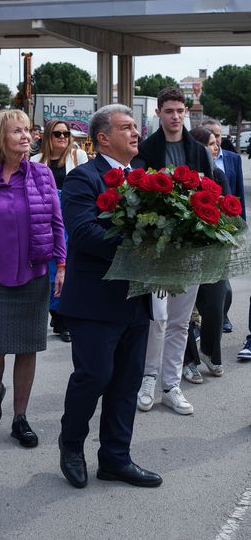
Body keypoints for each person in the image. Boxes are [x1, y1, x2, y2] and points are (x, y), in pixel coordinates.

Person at [58, 104, 162, 489]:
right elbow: (84, 234)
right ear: (103, 137)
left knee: (127, 382)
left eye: (136, 126)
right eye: (126, 127)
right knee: (94, 376)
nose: (136, 133)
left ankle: (116, 458)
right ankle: (71, 446)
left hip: (135, 299)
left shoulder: (145, 179)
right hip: (93, 300)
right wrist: (142, 246)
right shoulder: (83, 179)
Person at [0, 109, 66, 448]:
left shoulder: (42, 175)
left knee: (26, 348)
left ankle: (20, 417)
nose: (26, 136)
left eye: (28, 130)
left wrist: (61, 265)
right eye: (17, 131)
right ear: (1, 138)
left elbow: (56, 223)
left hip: (33, 274)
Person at [134, 87, 212, 416]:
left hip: (189, 249)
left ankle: (171, 383)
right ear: (159, 113)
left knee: (180, 322)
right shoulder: (146, 150)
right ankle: (148, 377)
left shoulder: (198, 151)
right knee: (158, 318)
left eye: (181, 110)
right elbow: (135, 197)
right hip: (156, 250)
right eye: (169, 111)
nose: (176, 116)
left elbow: (212, 195)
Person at [31, 119, 87, 342]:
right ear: (48, 137)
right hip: (44, 218)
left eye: (66, 133)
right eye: (57, 134)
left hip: (70, 216)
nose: (62, 137)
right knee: (52, 268)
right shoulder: (35, 161)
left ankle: (64, 317)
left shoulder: (78, 157)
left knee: (68, 265)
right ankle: (56, 313)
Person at [182, 127, 231, 384]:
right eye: (210, 144)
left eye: (216, 143)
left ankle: (210, 350)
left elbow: (227, 209)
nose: (215, 148)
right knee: (183, 312)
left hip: (212, 251)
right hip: (183, 253)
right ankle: (188, 360)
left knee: (217, 303)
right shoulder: (181, 176)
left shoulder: (218, 175)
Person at [202, 118, 246, 333]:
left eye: (218, 135)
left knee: (223, 280)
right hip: (204, 227)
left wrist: (240, 225)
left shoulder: (232, 159)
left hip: (225, 227)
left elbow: (237, 197)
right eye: (211, 135)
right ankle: (206, 320)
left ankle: (223, 315)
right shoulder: (197, 161)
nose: (217, 140)